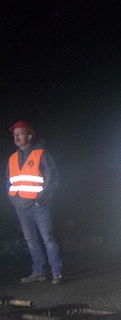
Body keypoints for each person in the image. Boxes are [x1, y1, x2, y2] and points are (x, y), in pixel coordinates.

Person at [6, 120, 63, 284]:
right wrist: (13, 200)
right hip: (21, 208)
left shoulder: (41, 154)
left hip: (39, 207)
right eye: (15, 134)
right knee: (31, 241)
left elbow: (52, 179)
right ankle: (38, 272)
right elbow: (8, 181)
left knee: (48, 239)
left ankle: (56, 273)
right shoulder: (12, 158)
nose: (16, 137)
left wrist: (41, 200)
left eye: (20, 133)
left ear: (29, 135)